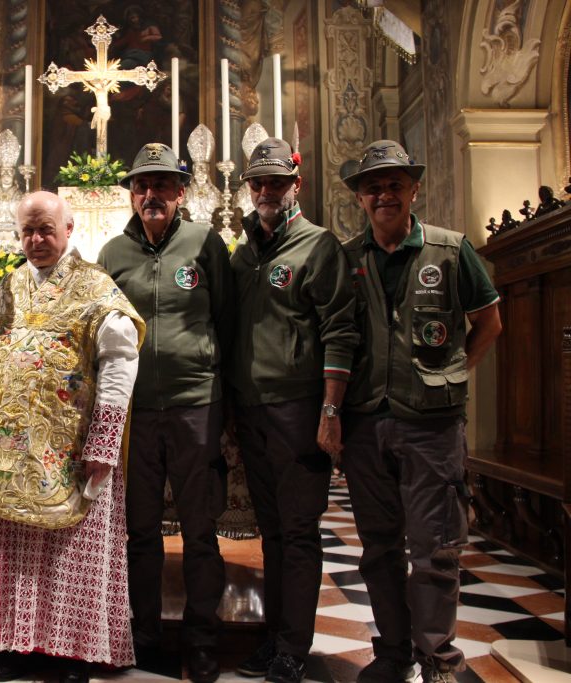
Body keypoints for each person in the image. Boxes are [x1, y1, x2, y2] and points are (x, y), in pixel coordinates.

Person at [339, 140, 502, 683]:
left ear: (414, 189)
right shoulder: (348, 257)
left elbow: (490, 322)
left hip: (432, 425)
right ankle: (392, 653)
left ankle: (438, 658)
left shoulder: (450, 250)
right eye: (373, 187)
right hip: (367, 420)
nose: (384, 195)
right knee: (379, 549)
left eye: (394, 185)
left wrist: (454, 370)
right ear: (360, 198)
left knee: (435, 548)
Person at [0, 191, 144, 683]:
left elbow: (120, 362)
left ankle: (72, 654)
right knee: (17, 551)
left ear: (69, 230)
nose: (36, 239)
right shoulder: (7, 290)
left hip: (74, 448)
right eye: (27, 230)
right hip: (13, 448)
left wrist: (104, 441)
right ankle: (17, 645)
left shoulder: (96, 288)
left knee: (72, 555)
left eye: (45, 229)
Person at [97, 143, 233, 683]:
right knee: (140, 531)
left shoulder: (205, 242)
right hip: (135, 411)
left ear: (180, 191)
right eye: (142, 185)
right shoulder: (112, 253)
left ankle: (201, 639)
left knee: (200, 530)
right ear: (132, 194)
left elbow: (226, 318)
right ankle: (145, 634)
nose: (151, 194)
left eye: (162, 185)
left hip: (196, 403)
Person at [228, 138, 359, 683]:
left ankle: (293, 648)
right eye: (258, 182)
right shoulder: (243, 252)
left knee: (300, 531)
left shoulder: (318, 246)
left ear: (295, 185)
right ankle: (275, 637)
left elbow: (341, 331)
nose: (266, 190)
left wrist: (330, 411)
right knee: (273, 531)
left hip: (299, 411)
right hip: (252, 410)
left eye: (276, 182)